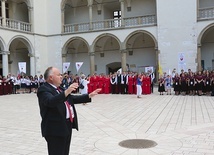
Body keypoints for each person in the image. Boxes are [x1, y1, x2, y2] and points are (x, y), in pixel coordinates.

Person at [37, 67, 101, 155]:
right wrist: (66, 92)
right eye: (59, 75)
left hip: (66, 126)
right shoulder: (44, 89)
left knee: (65, 152)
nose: (61, 77)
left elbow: (71, 98)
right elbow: (51, 101)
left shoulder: (60, 89)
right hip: (55, 129)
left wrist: (88, 96)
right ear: (51, 77)